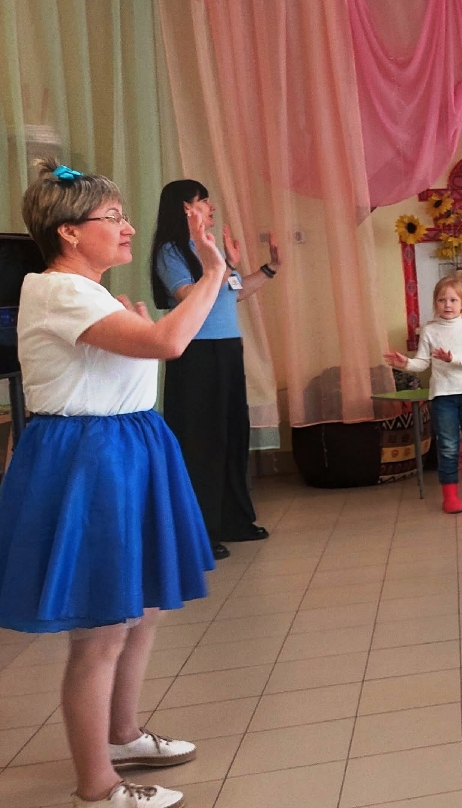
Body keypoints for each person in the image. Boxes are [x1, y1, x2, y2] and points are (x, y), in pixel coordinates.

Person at [0, 160, 223, 808]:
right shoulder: (59, 291)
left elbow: (140, 347)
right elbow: (169, 342)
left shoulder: (85, 293)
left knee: (140, 607)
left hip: (126, 444)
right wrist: (212, 271)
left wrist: (144, 326)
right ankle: (97, 787)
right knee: (101, 630)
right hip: (91, 456)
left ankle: (122, 735)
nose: (127, 228)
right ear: (69, 232)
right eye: (113, 218)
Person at [150, 180, 279, 561]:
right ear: (185, 208)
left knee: (232, 435)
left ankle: (234, 521)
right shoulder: (171, 250)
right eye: (204, 201)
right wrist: (222, 265)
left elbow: (232, 293)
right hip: (195, 353)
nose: (212, 207)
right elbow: (189, 296)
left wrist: (270, 268)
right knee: (201, 442)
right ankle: (200, 532)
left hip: (227, 348)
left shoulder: (209, 250)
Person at [384, 276, 462, 513]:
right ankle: (450, 498)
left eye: (453, 300)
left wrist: (452, 358)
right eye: (442, 300)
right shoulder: (430, 330)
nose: (447, 304)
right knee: (447, 447)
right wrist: (405, 364)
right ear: (435, 303)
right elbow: (422, 363)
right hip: (442, 398)